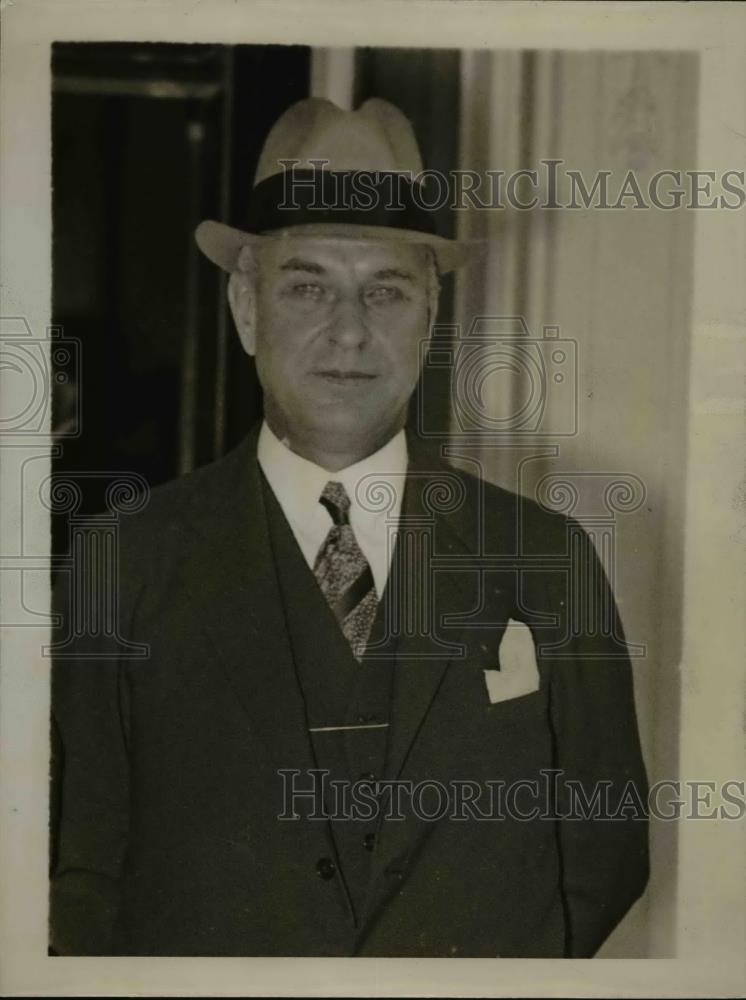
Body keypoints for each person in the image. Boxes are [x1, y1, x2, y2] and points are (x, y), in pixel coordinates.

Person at [49, 97, 649, 958]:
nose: (350, 333)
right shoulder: (124, 559)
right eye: (307, 287)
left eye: (386, 291)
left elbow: (606, 851)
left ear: (431, 317)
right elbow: (83, 870)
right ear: (247, 309)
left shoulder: (549, 558)